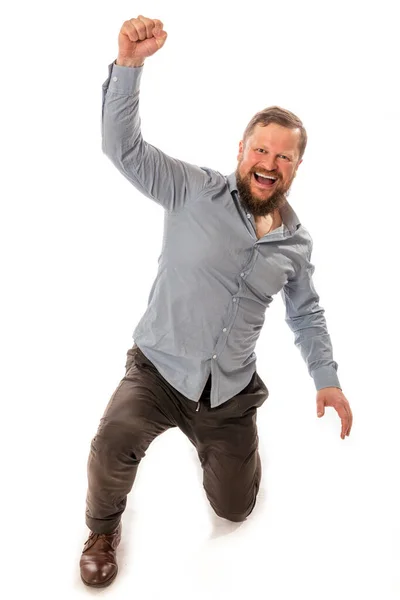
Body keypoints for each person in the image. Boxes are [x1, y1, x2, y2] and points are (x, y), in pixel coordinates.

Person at [79, 15, 353, 588]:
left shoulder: (295, 244)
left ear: (297, 166)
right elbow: (121, 148)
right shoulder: (191, 190)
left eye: (283, 157)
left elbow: (306, 312)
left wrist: (326, 378)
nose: (268, 164)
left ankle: (222, 457)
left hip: (228, 393)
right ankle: (102, 530)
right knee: (112, 441)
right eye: (261, 149)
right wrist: (129, 65)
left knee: (235, 510)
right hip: (158, 371)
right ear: (242, 149)